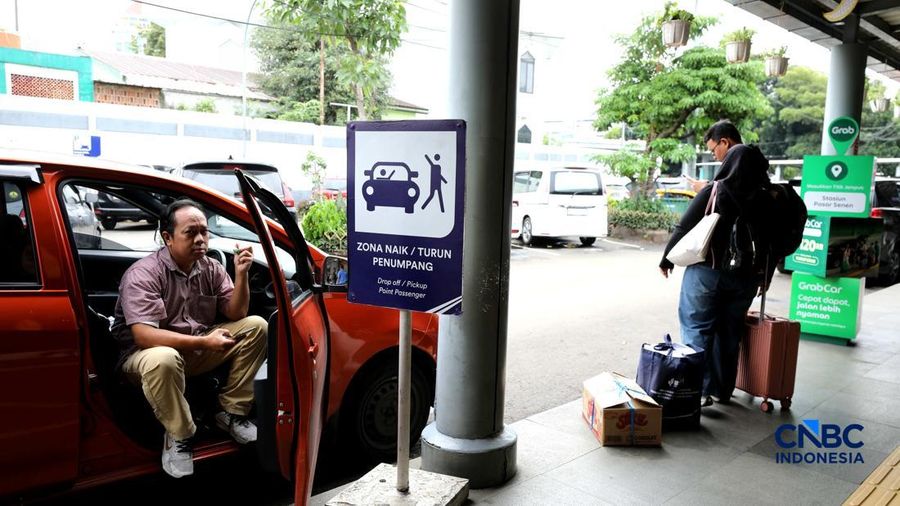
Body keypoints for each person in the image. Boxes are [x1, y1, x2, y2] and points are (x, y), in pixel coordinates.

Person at [111, 199, 267, 479]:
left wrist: (241, 275)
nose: (200, 240)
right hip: (145, 357)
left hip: (192, 349)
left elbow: (237, 312)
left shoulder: (210, 267)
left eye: (204, 232)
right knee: (164, 358)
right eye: (190, 233)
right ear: (168, 237)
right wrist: (204, 343)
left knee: (257, 326)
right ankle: (179, 433)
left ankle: (231, 413)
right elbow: (143, 335)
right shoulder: (144, 273)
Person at [659, 120, 775, 407]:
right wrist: (765, 275)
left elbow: (684, 227)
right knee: (730, 331)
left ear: (727, 146)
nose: (715, 157)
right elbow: (773, 240)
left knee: (696, 327)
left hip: (707, 272)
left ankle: (697, 392)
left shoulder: (715, 190)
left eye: (715, 150)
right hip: (746, 278)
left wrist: (666, 259)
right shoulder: (767, 196)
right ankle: (722, 390)